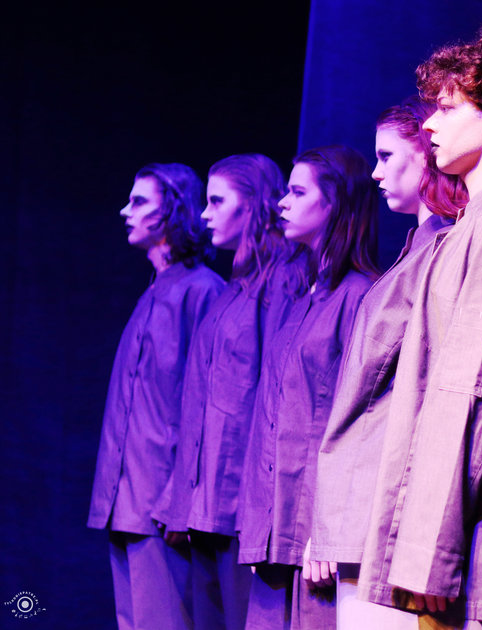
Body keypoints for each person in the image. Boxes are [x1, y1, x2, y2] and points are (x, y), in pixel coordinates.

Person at [358, 21, 482, 629]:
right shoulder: (475, 224)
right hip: (445, 539)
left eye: (446, 108)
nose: (431, 125)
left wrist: (431, 550)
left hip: (462, 548)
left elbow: (474, 395)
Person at [305, 97, 466, 629]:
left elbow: (426, 400)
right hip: (363, 508)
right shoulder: (416, 248)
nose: (375, 173)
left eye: (387, 156)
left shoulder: (445, 247)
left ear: (426, 154)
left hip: (385, 513)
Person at [152, 154, 298, 630]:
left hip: (242, 507)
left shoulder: (283, 283)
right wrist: (182, 500)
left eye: (217, 202)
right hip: (206, 506)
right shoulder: (230, 290)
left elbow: (274, 398)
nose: (204, 214)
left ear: (252, 206)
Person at [237, 145, 379, 630]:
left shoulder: (360, 296)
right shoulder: (303, 297)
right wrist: (261, 525)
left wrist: (329, 527)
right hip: (275, 536)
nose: (283, 202)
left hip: (316, 546)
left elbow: (359, 427)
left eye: (298, 192)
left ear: (334, 203)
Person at [88, 162, 225, 630]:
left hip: (160, 506)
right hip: (126, 500)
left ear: (171, 212)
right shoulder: (153, 291)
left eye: (139, 202)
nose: (125, 211)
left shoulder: (202, 291)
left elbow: (205, 403)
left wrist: (176, 495)